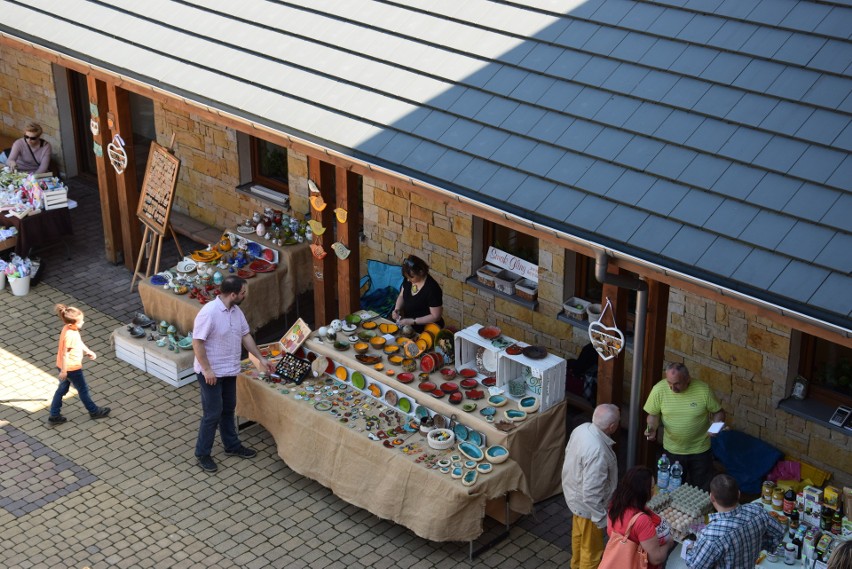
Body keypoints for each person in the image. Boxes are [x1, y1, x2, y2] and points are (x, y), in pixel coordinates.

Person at [192, 276, 275, 473]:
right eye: (243, 293)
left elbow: (245, 335)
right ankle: (202, 453)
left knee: (228, 408)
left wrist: (261, 358)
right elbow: (197, 343)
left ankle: (231, 445)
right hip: (211, 373)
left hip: (229, 369)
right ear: (233, 294)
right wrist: (208, 369)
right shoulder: (209, 313)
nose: (245, 295)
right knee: (212, 414)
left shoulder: (236, 312)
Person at [644, 362, 725, 490]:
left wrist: (715, 428)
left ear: (688, 379)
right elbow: (653, 415)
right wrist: (652, 428)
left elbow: (719, 413)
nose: (672, 388)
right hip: (672, 450)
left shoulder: (703, 390)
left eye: (677, 384)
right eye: (669, 383)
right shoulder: (659, 389)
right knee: (670, 490)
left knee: (701, 490)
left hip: (701, 450)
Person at [562, 403, 620, 569]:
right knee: (592, 551)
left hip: (575, 497)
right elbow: (591, 493)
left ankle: (576, 566)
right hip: (589, 509)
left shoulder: (582, 429)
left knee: (578, 539)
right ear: (612, 426)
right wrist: (602, 519)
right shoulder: (598, 451)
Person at [686, 474, 785, 568]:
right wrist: (758, 544)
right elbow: (779, 532)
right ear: (738, 494)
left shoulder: (711, 536)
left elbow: (694, 566)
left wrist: (690, 548)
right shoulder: (758, 512)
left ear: (711, 497)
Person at [49, 304, 111, 424]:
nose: (83, 322)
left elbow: (78, 342)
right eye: (80, 321)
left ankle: (54, 415)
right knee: (83, 390)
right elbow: (65, 354)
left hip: (63, 366)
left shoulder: (68, 328)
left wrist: (87, 351)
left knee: (62, 389)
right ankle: (93, 411)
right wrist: (64, 371)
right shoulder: (71, 334)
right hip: (72, 368)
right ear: (73, 323)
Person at [604, 466, 674, 569]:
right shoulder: (641, 520)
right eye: (652, 487)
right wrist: (669, 544)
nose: (654, 492)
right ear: (642, 492)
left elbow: (610, 532)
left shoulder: (615, 505)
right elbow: (656, 559)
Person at [391, 254, 444, 333]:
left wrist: (413, 321)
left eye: (411, 277)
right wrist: (397, 309)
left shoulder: (432, 289)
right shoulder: (409, 279)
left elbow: (436, 316)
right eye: (407, 277)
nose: (408, 280)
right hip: (410, 327)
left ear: (421, 272)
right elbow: (402, 295)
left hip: (428, 330)